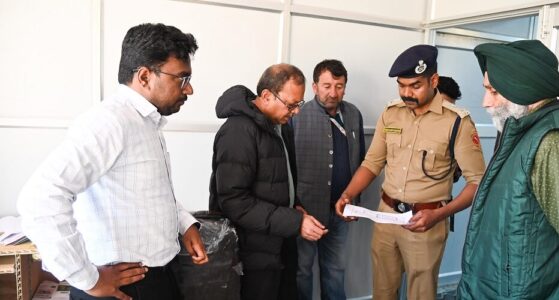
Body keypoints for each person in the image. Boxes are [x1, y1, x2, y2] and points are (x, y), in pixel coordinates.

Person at [17, 23, 208, 300]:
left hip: (156, 275)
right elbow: (40, 198)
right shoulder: (110, 122)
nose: (188, 90)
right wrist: (87, 279)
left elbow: (149, 191)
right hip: (124, 287)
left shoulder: (147, 122)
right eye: (181, 78)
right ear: (144, 76)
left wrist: (185, 224)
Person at [335, 44, 486, 300]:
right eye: (401, 85)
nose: (407, 93)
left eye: (415, 85)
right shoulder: (391, 113)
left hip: (426, 220)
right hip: (386, 217)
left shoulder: (457, 122)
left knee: (421, 294)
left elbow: (477, 182)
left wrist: (439, 214)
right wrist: (348, 194)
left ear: (434, 80)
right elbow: (372, 162)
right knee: (382, 292)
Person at [458, 40, 559, 299]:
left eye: (494, 91)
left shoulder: (555, 144)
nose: (485, 102)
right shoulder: (521, 133)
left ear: (522, 87)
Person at [209, 63, 328, 300]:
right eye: (291, 105)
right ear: (266, 96)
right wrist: (295, 221)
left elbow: (278, 179)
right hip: (250, 252)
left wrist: (296, 206)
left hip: (278, 242)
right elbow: (234, 201)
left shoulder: (278, 126)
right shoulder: (238, 131)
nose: (296, 112)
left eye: (299, 104)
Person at [291, 59, 365, 300]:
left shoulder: (353, 114)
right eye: (327, 85)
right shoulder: (297, 113)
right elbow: (286, 164)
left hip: (341, 210)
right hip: (306, 211)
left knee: (335, 270)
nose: (333, 92)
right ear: (314, 87)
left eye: (339, 86)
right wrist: (293, 208)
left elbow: (361, 160)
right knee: (301, 270)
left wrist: (354, 201)